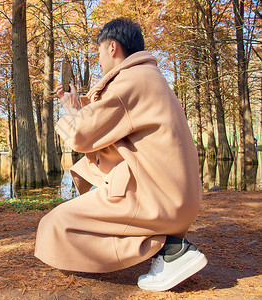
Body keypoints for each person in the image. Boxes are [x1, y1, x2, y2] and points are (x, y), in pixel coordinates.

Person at [34, 19, 207, 291]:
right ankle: (168, 243)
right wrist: (76, 102)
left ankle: (171, 251)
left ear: (112, 47)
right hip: (177, 199)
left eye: (99, 52)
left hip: (160, 201)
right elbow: (115, 115)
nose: (99, 60)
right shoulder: (148, 77)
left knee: (53, 226)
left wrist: (70, 111)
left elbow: (81, 134)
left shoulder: (128, 81)